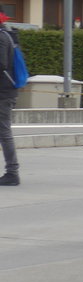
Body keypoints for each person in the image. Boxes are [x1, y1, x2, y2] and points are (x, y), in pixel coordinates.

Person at [0, 12, 21, 186]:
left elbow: (1, 64)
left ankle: (12, 172)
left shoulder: (1, 37)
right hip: (6, 91)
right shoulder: (7, 35)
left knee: (4, 132)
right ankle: (12, 171)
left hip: (3, 93)